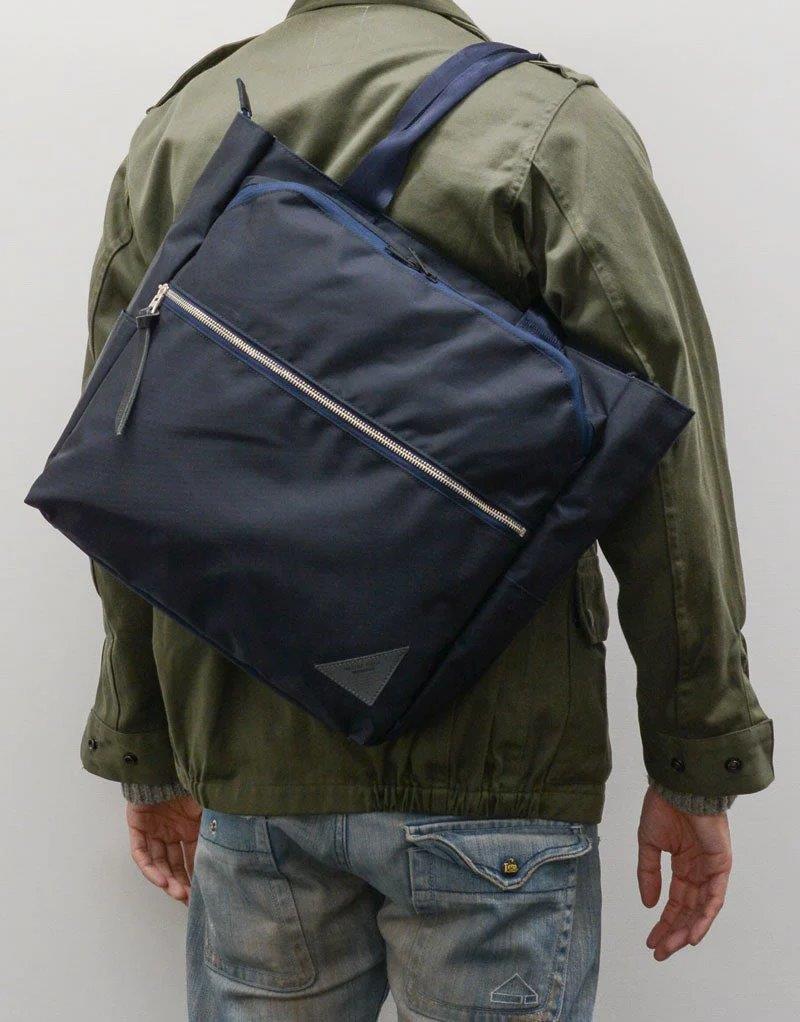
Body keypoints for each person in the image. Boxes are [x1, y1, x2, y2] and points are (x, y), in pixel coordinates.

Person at [79, 2, 774, 1018]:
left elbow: (127, 461)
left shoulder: (181, 129)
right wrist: (697, 753)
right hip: (494, 773)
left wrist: (142, 748)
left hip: (252, 762)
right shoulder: (551, 128)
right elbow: (670, 477)